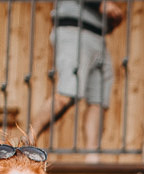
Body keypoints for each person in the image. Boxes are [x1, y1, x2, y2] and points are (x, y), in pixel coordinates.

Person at [30, 1, 126, 154]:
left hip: (99, 37)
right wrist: (100, 4)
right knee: (66, 95)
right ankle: (28, 139)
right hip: (74, 30)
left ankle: (92, 156)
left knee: (99, 100)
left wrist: (112, 19)